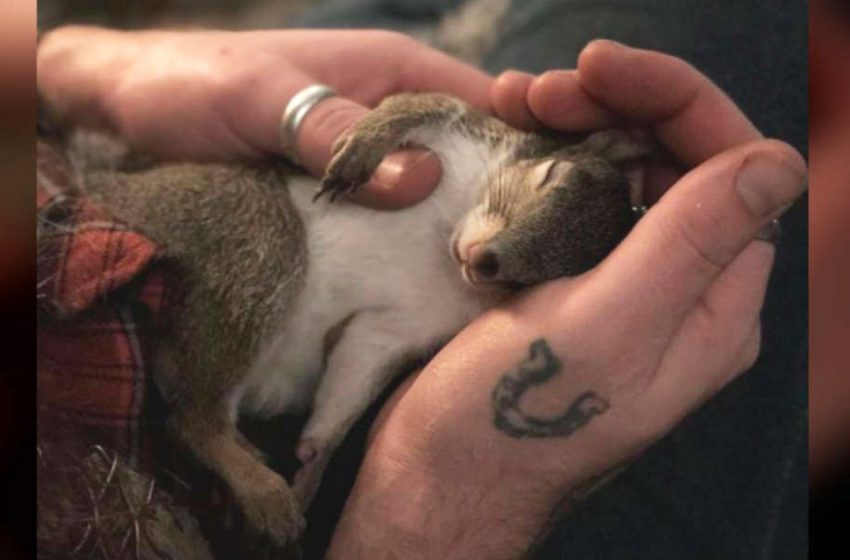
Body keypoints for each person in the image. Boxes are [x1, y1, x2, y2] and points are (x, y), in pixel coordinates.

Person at [37, 14, 807, 560]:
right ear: (538, 160)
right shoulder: (479, 142)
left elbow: (377, 342)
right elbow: (418, 110)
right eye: (534, 189)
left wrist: (82, 65)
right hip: (234, 222)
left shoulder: (477, 299)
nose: (485, 256)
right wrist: (432, 500)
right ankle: (211, 429)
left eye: (512, 268)